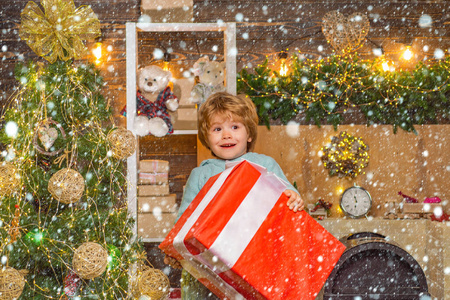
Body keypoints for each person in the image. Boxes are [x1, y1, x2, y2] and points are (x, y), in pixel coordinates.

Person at [164, 92, 305, 299]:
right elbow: (184, 220)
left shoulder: (264, 164)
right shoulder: (201, 174)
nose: (226, 135)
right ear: (206, 137)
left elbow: (291, 200)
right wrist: (176, 249)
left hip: (257, 261)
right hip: (209, 269)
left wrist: (294, 198)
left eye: (235, 127)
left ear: (249, 135)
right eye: (217, 129)